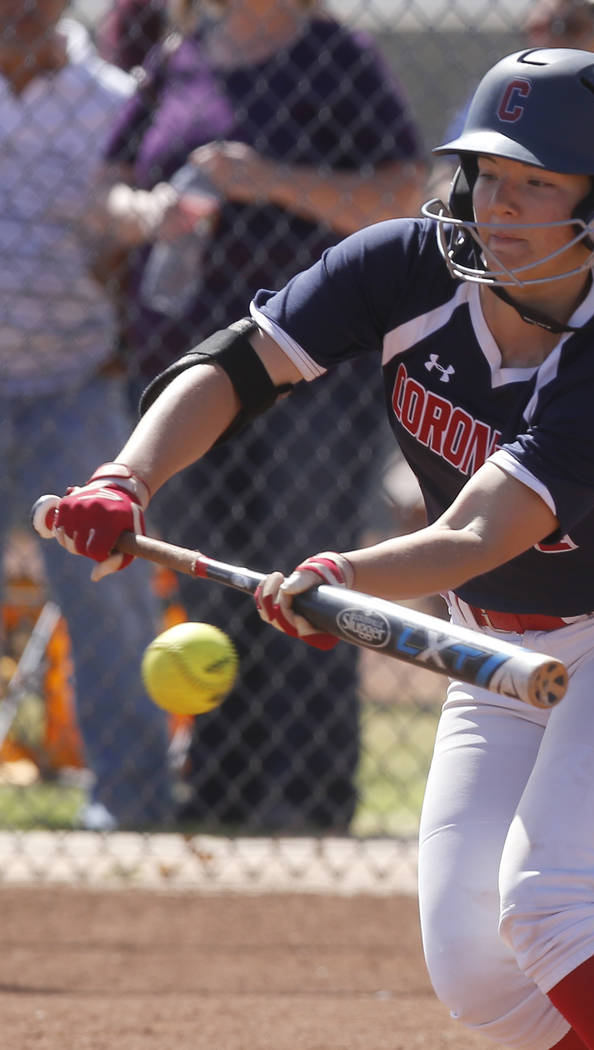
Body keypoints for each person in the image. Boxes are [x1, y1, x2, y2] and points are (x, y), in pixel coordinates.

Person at [40, 46, 594, 1049]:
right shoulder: (407, 265)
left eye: (536, 187)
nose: (496, 208)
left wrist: (342, 579)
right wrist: (125, 479)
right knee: (482, 977)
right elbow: (232, 368)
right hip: (494, 654)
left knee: (549, 903)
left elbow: (473, 534)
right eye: (487, 176)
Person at [94, 0, 425, 829]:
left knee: (304, 570)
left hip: (311, 371)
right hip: (185, 363)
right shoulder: (183, 57)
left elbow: (400, 201)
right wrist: (147, 213)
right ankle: (223, 794)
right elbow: (106, 189)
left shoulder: (336, 56)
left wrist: (267, 178)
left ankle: (310, 804)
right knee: (207, 578)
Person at [1, 0, 174, 830]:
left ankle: (130, 802)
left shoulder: (114, 100)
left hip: (76, 377)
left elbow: (137, 242)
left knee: (105, 593)